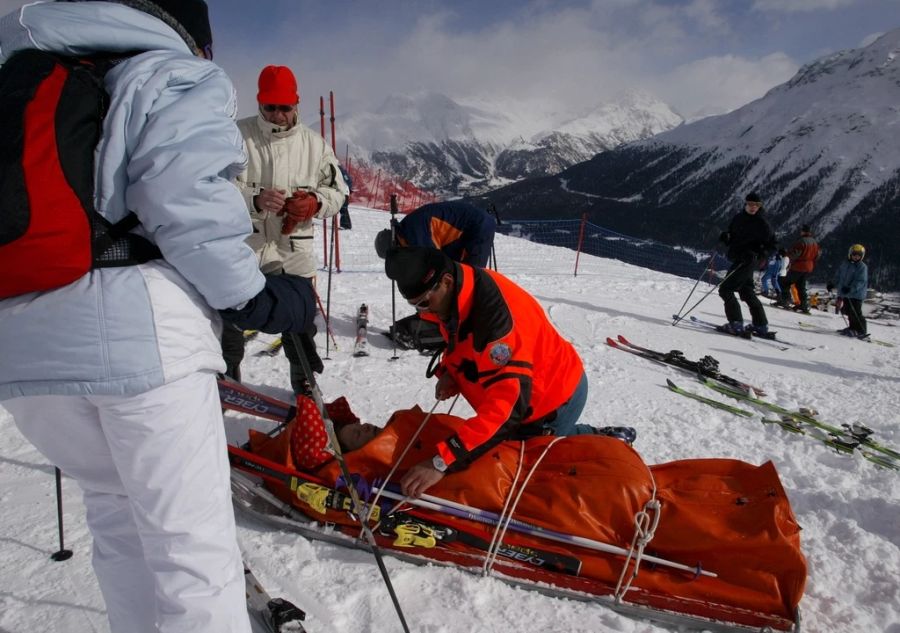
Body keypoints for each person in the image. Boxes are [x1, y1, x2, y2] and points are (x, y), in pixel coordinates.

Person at [0, 2, 315, 632]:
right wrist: (255, 297)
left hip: (24, 349)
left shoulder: (17, 76)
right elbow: (185, 201)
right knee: (193, 553)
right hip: (141, 340)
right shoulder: (168, 72)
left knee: (118, 522)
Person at [383, 246, 634, 498]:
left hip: (549, 402)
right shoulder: (460, 287)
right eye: (416, 306)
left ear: (446, 282)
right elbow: (460, 334)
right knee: (522, 447)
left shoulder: (498, 327)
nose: (424, 312)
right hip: (534, 392)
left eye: (425, 303)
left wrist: (440, 462)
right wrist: (451, 371)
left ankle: (605, 447)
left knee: (537, 464)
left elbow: (506, 412)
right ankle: (598, 435)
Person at [227, 64, 349, 392]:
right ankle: (227, 381)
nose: (278, 114)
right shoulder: (235, 137)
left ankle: (306, 385)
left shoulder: (315, 145)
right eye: (271, 107)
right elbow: (211, 189)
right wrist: (254, 199)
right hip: (244, 250)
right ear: (259, 103)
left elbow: (340, 192)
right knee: (230, 320)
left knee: (299, 323)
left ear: (296, 104)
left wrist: (315, 202)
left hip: (295, 252)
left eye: (285, 107)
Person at [716, 192, 777, 335]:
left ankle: (736, 323)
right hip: (739, 257)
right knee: (746, 290)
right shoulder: (739, 218)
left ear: (760, 206)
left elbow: (772, 246)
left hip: (748, 260)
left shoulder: (762, 223)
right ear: (746, 203)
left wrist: (759, 253)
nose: (753, 207)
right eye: (750, 204)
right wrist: (726, 237)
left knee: (725, 289)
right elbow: (733, 236)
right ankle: (760, 325)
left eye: (756, 205)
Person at [375, 201, 497, 268]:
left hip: (477, 226)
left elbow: (433, 263)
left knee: (472, 276)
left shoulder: (414, 233)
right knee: (454, 273)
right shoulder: (406, 231)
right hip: (460, 233)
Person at [828, 244, 869, 338]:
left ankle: (861, 330)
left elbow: (860, 281)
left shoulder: (862, 267)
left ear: (862, 256)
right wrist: (832, 284)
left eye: (858, 255)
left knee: (856, 312)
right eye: (854, 254)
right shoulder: (845, 264)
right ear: (850, 254)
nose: (856, 257)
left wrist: (851, 288)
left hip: (856, 294)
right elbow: (838, 276)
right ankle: (852, 328)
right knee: (849, 312)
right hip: (846, 294)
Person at [777, 224, 820, 313]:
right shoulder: (815, 243)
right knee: (801, 286)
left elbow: (794, 254)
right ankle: (803, 305)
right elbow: (817, 255)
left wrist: (785, 254)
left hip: (798, 266)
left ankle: (785, 300)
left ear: (803, 231)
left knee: (783, 281)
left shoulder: (801, 242)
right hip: (808, 267)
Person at [338, 165, 353, 230]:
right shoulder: (339, 169)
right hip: (342, 191)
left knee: (343, 209)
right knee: (343, 209)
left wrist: (349, 187)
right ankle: (346, 225)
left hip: (344, 192)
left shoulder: (340, 170)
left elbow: (348, 179)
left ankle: (346, 225)